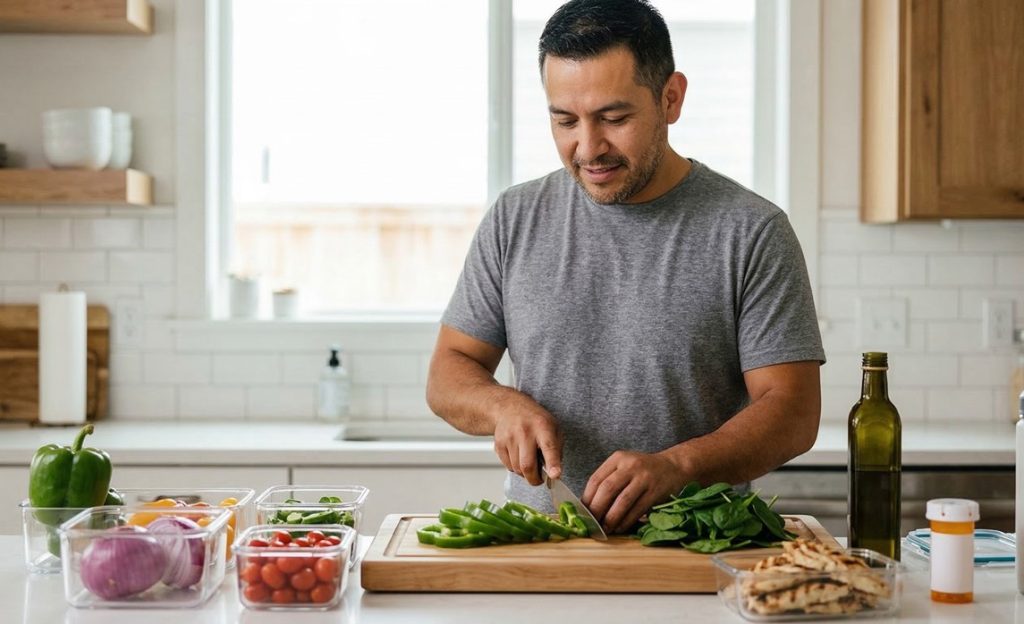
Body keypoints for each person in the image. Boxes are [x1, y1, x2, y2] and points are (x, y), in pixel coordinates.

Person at [426, 0, 824, 535]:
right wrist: (502, 406)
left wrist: (678, 467)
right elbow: (450, 369)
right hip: (543, 547)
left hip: (696, 549)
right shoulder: (515, 218)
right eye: (565, 120)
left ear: (671, 97)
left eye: (614, 119)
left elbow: (793, 413)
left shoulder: (751, 231)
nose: (588, 148)